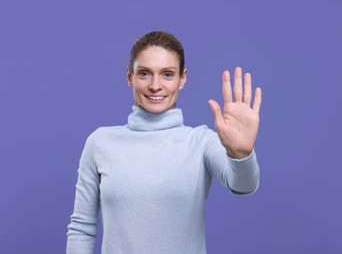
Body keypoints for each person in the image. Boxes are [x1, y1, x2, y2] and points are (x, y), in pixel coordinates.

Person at [66, 31, 262, 254]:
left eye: (167, 74)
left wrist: (241, 155)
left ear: (183, 78)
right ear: (129, 77)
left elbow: (243, 185)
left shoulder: (201, 141)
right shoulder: (100, 142)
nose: (155, 85)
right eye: (144, 74)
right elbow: (82, 227)